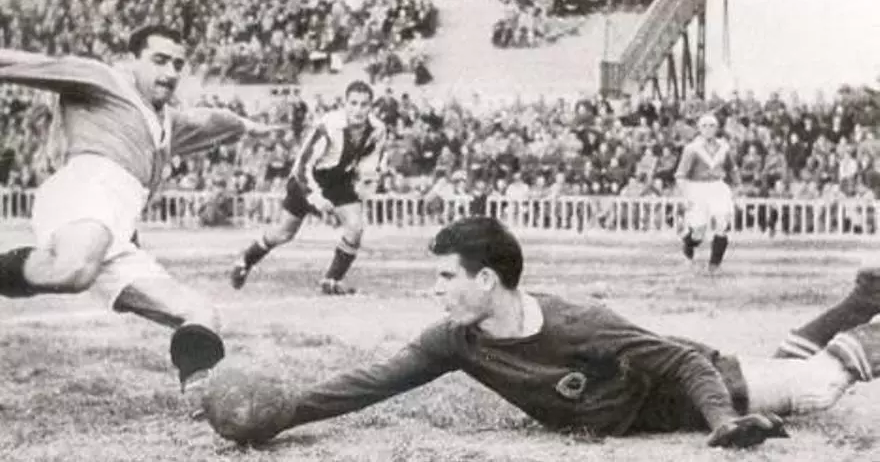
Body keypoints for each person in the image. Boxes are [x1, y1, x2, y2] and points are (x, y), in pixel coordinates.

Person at [203, 216, 876, 449]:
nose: (435, 289)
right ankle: (864, 298)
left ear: (486, 280)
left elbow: (683, 364)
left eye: (445, 277)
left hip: (713, 384)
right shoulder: (455, 339)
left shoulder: (580, 322)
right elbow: (372, 382)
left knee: (820, 387)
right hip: (653, 407)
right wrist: (284, 414)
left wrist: (723, 421)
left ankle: (866, 331)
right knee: (796, 367)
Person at [0, 25, 281, 393]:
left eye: (178, 64)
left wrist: (248, 126)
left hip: (119, 229)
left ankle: (201, 394)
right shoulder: (104, 79)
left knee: (201, 314)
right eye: (159, 60)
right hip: (87, 189)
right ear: (131, 60)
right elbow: (19, 62)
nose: (170, 72)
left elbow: (211, 121)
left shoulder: (166, 123)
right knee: (74, 270)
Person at [230, 80, 387, 295]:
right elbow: (302, 165)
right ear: (345, 104)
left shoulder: (378, 129)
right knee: (284, 233)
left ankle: (331, 280)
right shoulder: (328, 125)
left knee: (355, 226)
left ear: (371, 106)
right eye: (353, 103)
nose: (358, 110)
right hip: (308, 179)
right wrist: (316, 199)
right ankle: (245, 260)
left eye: (364, 104)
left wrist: (365, 183)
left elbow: (371, 160)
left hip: (340, 179)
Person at [675, 113, 741, 272]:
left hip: (717, 187)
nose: (708, 129)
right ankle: (688, 243)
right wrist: (686, 196)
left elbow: (732, 168)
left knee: (722, 224)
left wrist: (737, 186)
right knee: (698, 233)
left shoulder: (724, 147)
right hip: (697, 188)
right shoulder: (691, 149)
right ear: (699, 128)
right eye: (704, 126)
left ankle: (714, 265)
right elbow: (680, 175)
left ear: (717, 128)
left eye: (712, 125)